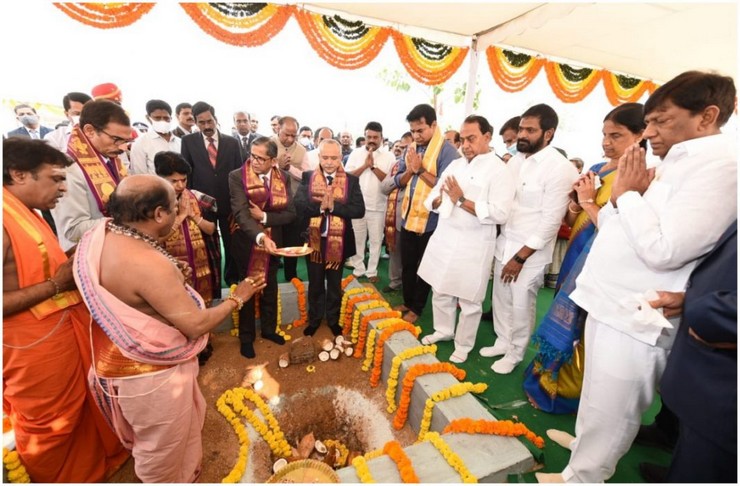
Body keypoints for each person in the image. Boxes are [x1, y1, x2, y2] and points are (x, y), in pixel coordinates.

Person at [536, 71, 738, 484]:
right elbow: (617, 225)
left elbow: (666, 250)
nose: (649, 133)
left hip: (637, 312)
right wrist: (621, 199)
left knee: (614, 407)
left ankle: (585, 475)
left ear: (707, 116)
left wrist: (627, 195)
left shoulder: (721, 167)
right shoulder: (673, 160)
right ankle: (584, 452)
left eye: (661, 121)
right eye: (648, 122)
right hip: (608, 298)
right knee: (595, 394)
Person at [73, 174, 265, 482]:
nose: (179, 211)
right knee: (160, 451)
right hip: (150, 378)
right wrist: (238, 298)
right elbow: (195, 325)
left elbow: (141, 292)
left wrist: (172, 279)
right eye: (175, 206)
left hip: (120, 362)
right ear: (159, 214)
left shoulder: (104, 236)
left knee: (166, 442)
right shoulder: (147, 263)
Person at [3, 138, 128, 482]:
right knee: (51, 422)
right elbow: (48, 282)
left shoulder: (25, 211)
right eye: (55, 179)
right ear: (18, 174)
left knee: (85, 404)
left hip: (59, 331)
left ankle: (89, 469)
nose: (63, 188)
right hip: (30, 346)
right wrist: (56, 285)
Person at [523, 103, 645, 414]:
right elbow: (572, 215)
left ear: (640, 135)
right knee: (564, 317)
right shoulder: (598, 168)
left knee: (583, 328)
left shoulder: (639, 177)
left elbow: (623, 229)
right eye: (604, 134)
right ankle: (546, 378)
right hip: (576, 255)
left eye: (616, 136)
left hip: (601, 263)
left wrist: (588, 202)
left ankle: (567, 391)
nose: (606, 142)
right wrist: (578, 204)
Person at [483, 103, 579, 375]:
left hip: (530, 253)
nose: (522, 135)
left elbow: (551, 221)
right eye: (521, 129)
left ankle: (515, 353)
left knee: (521, 303)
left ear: (548, 133)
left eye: (530, 130)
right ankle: (503, 341)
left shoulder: (560, 168)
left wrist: (520, 257)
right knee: (501, 297)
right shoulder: (516, 161)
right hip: (505, 243)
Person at [417, 115, 515, 363]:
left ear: (487, 137)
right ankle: (443, 330)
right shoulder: (455, 165)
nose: (465, 145)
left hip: (474, 244)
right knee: (440, 288)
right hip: (445, 236)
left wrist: (460, 199)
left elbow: (500, 213)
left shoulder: (500, 171)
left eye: (471, 138)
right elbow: (433, 196)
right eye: (462, 139)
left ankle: (463, 344)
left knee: (469, 300)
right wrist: (439, 200)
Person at [650, 220, 736, 483]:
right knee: (690, 459)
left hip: (725, 393)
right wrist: (689, 300)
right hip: (707, 389)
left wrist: (708, 313)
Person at [229, 136, 295, 358]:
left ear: (273, 161)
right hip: (246, 242)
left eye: (260, 158)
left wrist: (265, 217)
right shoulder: (237, 176)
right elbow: (241, 213)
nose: (254, 161)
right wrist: (260, 236)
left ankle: (268, 330)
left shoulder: (283, 177)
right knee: (247, 288)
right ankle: (246, 337)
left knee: (271, 286)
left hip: (274, 241)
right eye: (252, 156)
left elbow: (290, 213)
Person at [394, 103, 458, 323]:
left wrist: (420, 170)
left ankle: (417, 308)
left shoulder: (448, 152)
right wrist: (410, 171)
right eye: (412, 131)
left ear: (433, 125)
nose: (416, 135)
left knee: (426, 267)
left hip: (432, 222)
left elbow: (446, 187)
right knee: (408, 264)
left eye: (420, 130)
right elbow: (399, 178)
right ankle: (407, 301)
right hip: (408, 217)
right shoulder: (411, 148)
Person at [294, 139, 365, 337]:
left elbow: (359, 210)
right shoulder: (308, 177)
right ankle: (315, 319)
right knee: (315, 283)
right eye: (325, 157)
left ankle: (333, 320)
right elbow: (298, 205)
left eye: (334, 158)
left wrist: (334, 207)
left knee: (334, 284)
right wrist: (319, 207)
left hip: (339, 243)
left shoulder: (351, 180)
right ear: (319, 157)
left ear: (341, 158)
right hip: (314, 241)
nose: (329, 162)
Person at [51, 99, 131, 251]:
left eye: (126, 141)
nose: (122, 148)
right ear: (89, 131)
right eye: (116, 139)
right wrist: (130, 222)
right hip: (88, 253)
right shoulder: (69, 169)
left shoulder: (112, 160)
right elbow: (73, 229)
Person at [181, 101, 243, 285]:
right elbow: (187, 173)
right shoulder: (188, 142)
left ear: (215, 119)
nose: (207, 126)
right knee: (207, 245)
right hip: (202, 204)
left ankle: (232, 280)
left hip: (228, 203)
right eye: (202, 122)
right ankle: (211, 283)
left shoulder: (232, 142)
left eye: (210, 121)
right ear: (195, 122)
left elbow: (240, 173)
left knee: (232, 244)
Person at [154, 151, 216, 305]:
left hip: (200, 264)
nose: (180, 186)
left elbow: (211, 230)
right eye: (174, 181)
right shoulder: (153, 203)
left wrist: (193, 215)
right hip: (170, 267)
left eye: (184, 180)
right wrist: (181, 216)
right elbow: (154, 241)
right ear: (160, 178)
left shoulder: (196, 197)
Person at [344, 121, 395, 283]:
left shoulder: (389, 156)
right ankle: (358, 268)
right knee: (357, 239)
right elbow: (347, 178)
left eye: (375, 137)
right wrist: (364, 166)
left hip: (378, 205)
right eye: (369, 137)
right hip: (357, 205)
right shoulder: (355, 154)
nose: (372, 140)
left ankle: (372, 271)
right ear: (364, 137)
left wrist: (372, 167)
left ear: (381, 138)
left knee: (376, 240)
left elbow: (390, 182)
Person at [273, 116, 309, 281]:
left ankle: (291, 275)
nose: (290, 139)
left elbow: (306, 176)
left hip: (293, 202)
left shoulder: (301, 150)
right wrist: (277, 166)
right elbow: (256, 171)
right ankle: (270, 274)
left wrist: (289, 168)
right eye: (286, 134)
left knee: (292, 240)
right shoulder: (267, 145)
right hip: (270, 203)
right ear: (277, 129)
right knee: (272, 238)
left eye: (293, 135)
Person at [380, 132, 413, 293]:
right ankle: (395, 282)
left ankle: (412, 286)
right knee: (395, 252)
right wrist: (400, 179)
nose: (405, 150)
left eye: (409, 147)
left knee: (413, 256)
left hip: (416, 219)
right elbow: (384, 187)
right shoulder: (396, 165)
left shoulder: (427, 167)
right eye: (403, 147)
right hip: (396, 217)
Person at [129, 99, 181, 175]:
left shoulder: (180, 142)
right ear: (148, 118)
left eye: (166, 118)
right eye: (157, 118)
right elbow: (139, 174)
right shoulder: (140, 143)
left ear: (171, 118)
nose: (162, 121)